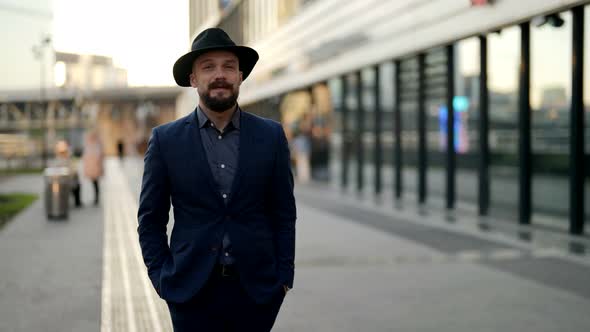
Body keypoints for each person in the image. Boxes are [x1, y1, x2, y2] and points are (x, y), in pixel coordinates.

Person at [137, 28, 296, 332]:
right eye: (208, 67)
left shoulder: (271, 136)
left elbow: (283, 213)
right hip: (189, 291)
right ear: (194, 79)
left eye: (228, 66)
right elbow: (150, 219)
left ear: (240, 76)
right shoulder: (165, 140)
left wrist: (284, 278)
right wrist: (161, 278)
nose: (219, 74)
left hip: (257, 292)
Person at [51, 140, 81, 207]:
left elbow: (73, 170)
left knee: (76, 182)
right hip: (61, 181)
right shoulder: (57, 160)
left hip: (68, 180)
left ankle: (77, 201)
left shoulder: (69, 159)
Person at [82, 131, 104, 206]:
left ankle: (96, 198)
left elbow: (98, 156)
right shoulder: (91, 145)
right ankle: (96, 197)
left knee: (95, 183)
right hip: (92, 168)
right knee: (94, 183)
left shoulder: (96, 145)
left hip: (95, 168)